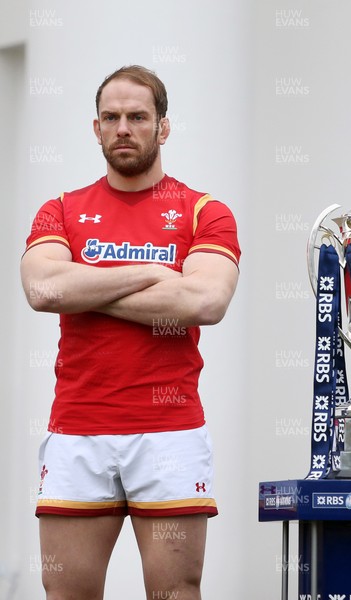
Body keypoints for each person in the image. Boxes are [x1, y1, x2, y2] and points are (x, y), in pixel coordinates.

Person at [20, 65, 240, 600]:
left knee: (175, 593)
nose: (124, 128)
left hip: (170, 432)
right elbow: (43, 291)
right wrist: (151, 274)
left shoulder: (203, 212)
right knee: (65, 593)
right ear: (95, 128)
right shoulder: (62, 209)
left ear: (163, 128)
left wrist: (87, 285)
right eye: (111, 118)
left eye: (138, 117)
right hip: (78, 430)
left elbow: (205, 300)